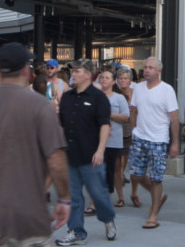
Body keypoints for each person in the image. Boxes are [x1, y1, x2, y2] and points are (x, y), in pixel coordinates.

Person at [0, 43, 71, 247]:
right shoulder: (40, 106)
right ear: (26, 70)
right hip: (27, 214)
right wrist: (64, 198)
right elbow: (55, 158)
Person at [56, 60, 117, 245]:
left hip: (91, 156)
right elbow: (61, 125)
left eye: (77, 71)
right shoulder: (67, 97)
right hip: (70, 155)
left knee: (98, 195)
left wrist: (100, 150)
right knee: (74, 196)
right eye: (72, 71)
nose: (73, 74)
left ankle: (108, 219)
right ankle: (76, 231)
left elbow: (105, 126)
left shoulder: (99, 98)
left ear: (88, 74)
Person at [128, 57, 180, 229]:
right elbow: (134, 110)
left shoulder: (167, 90)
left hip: (158, 140)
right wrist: (134, 129)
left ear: (159, 71)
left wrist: (174, 143)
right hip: (139, 138)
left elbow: (174, 118)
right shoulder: (138, 88)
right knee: (135, 175)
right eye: (145, 67)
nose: (147, 70)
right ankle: (159, 196)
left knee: (156, 178)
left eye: (151, 67)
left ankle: (154, 214)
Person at [97, 70, 132, 210]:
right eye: (102, 78)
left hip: (114, 140)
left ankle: (117, 196)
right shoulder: (95, 97)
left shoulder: (119, 98)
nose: (104, 80)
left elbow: (125, 117)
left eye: (107, 78)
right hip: (97, 140)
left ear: (113, 82)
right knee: (98, 170)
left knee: (114, 169)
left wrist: (108, 114)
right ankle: (100, 199)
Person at [113, 68, 138, 209]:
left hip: (131, 132)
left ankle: (133, 193)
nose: (122, 81)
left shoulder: (135, 95)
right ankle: (121, 197)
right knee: (117, 166)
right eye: (120, 78)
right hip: (117, 132)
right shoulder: (114, 95)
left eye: (125, 78)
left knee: (129, 162)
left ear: (130, 80)